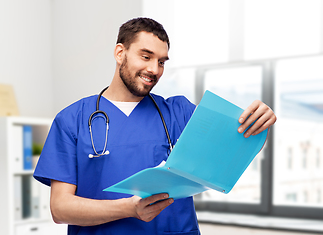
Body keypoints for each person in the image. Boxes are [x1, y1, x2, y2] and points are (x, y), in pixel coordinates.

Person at [34, 17, 277, 235]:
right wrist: (128, 208)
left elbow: (234, 149)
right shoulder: (72, 120)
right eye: (146, 56)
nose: (154, 70)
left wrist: (259, 123)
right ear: (120, 53)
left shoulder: (179, 112)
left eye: (162, 61)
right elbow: (60, 208)